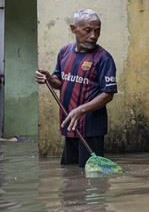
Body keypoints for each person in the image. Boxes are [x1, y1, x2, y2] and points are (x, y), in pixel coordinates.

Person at [34, 9, 117, 167]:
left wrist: (81, 110)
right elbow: (60, 81)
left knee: (92, 176)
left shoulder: (103, 58)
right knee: (70, 173)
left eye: (97, 31)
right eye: (88, 30)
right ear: (73, 29)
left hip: (91, 129)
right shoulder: (65, 52)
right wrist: (49, 79)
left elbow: (108, 94)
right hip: (70, 124)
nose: (93, 36)